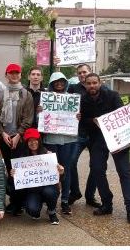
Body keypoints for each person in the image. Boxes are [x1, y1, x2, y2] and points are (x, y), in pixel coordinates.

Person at [80, 73, 130, 223]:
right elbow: (82, 121)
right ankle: (107, 203)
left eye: (95, 83)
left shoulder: (113, 95)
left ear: (100, 83)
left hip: (116, 139)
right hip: (98, 139)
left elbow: (122, 115)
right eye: (89, 83)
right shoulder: (83, 100)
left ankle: (129, 208)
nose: (92, 86)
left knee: (124, 172)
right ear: (86, 85)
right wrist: (92, 121)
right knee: (96, 169)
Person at [0, 63, 34, 215]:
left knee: (19, 171)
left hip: (19, 138)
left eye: (17, 73)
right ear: (6, 75)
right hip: (5, 138)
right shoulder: (1, 93)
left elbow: (28, 117)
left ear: (20, 75)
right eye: (11, 73)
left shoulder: (26, 94)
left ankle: (19, 202)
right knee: (9, 170)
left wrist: (19, 134)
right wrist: (2, 133)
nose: (14, 75)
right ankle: (13, 201)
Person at [10, 128, 64, 225]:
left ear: (39, 140)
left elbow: (58, 178)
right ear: (26, 143)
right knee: (32, 211)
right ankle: (36, 208)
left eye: (35, 140)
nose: (33, 143)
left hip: (48, 188)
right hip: (33, 191)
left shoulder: (48, 155)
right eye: (29, 141)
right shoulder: (22, 158)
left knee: (49, 192)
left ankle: (52, 211)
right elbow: (18, 182)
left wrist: (61, 172)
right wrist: (14, 175)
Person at [42, 72, 78, 215]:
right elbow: (42, 119)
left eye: (62, 81)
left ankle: (64, 201)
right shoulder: (46, 99)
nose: (59, 84)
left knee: (66, 170)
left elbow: (75, 118)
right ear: (51, 83)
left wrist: (77, 116)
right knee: (52, 170)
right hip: (51, 139)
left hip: (68, 139)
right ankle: (52, 201)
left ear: (65, 83)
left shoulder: (72, 99)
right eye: (56, 82)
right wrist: (40, 113)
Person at [67, 64, 100, 207]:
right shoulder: (73, 89)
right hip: (78, 133)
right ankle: (74, 191)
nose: (82, 74)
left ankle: (90, 195)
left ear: (90, 72)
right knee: (71, 162)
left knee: (96, 165)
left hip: (95, 134)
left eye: (84, 72)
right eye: (79, 73)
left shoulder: (100, 89)